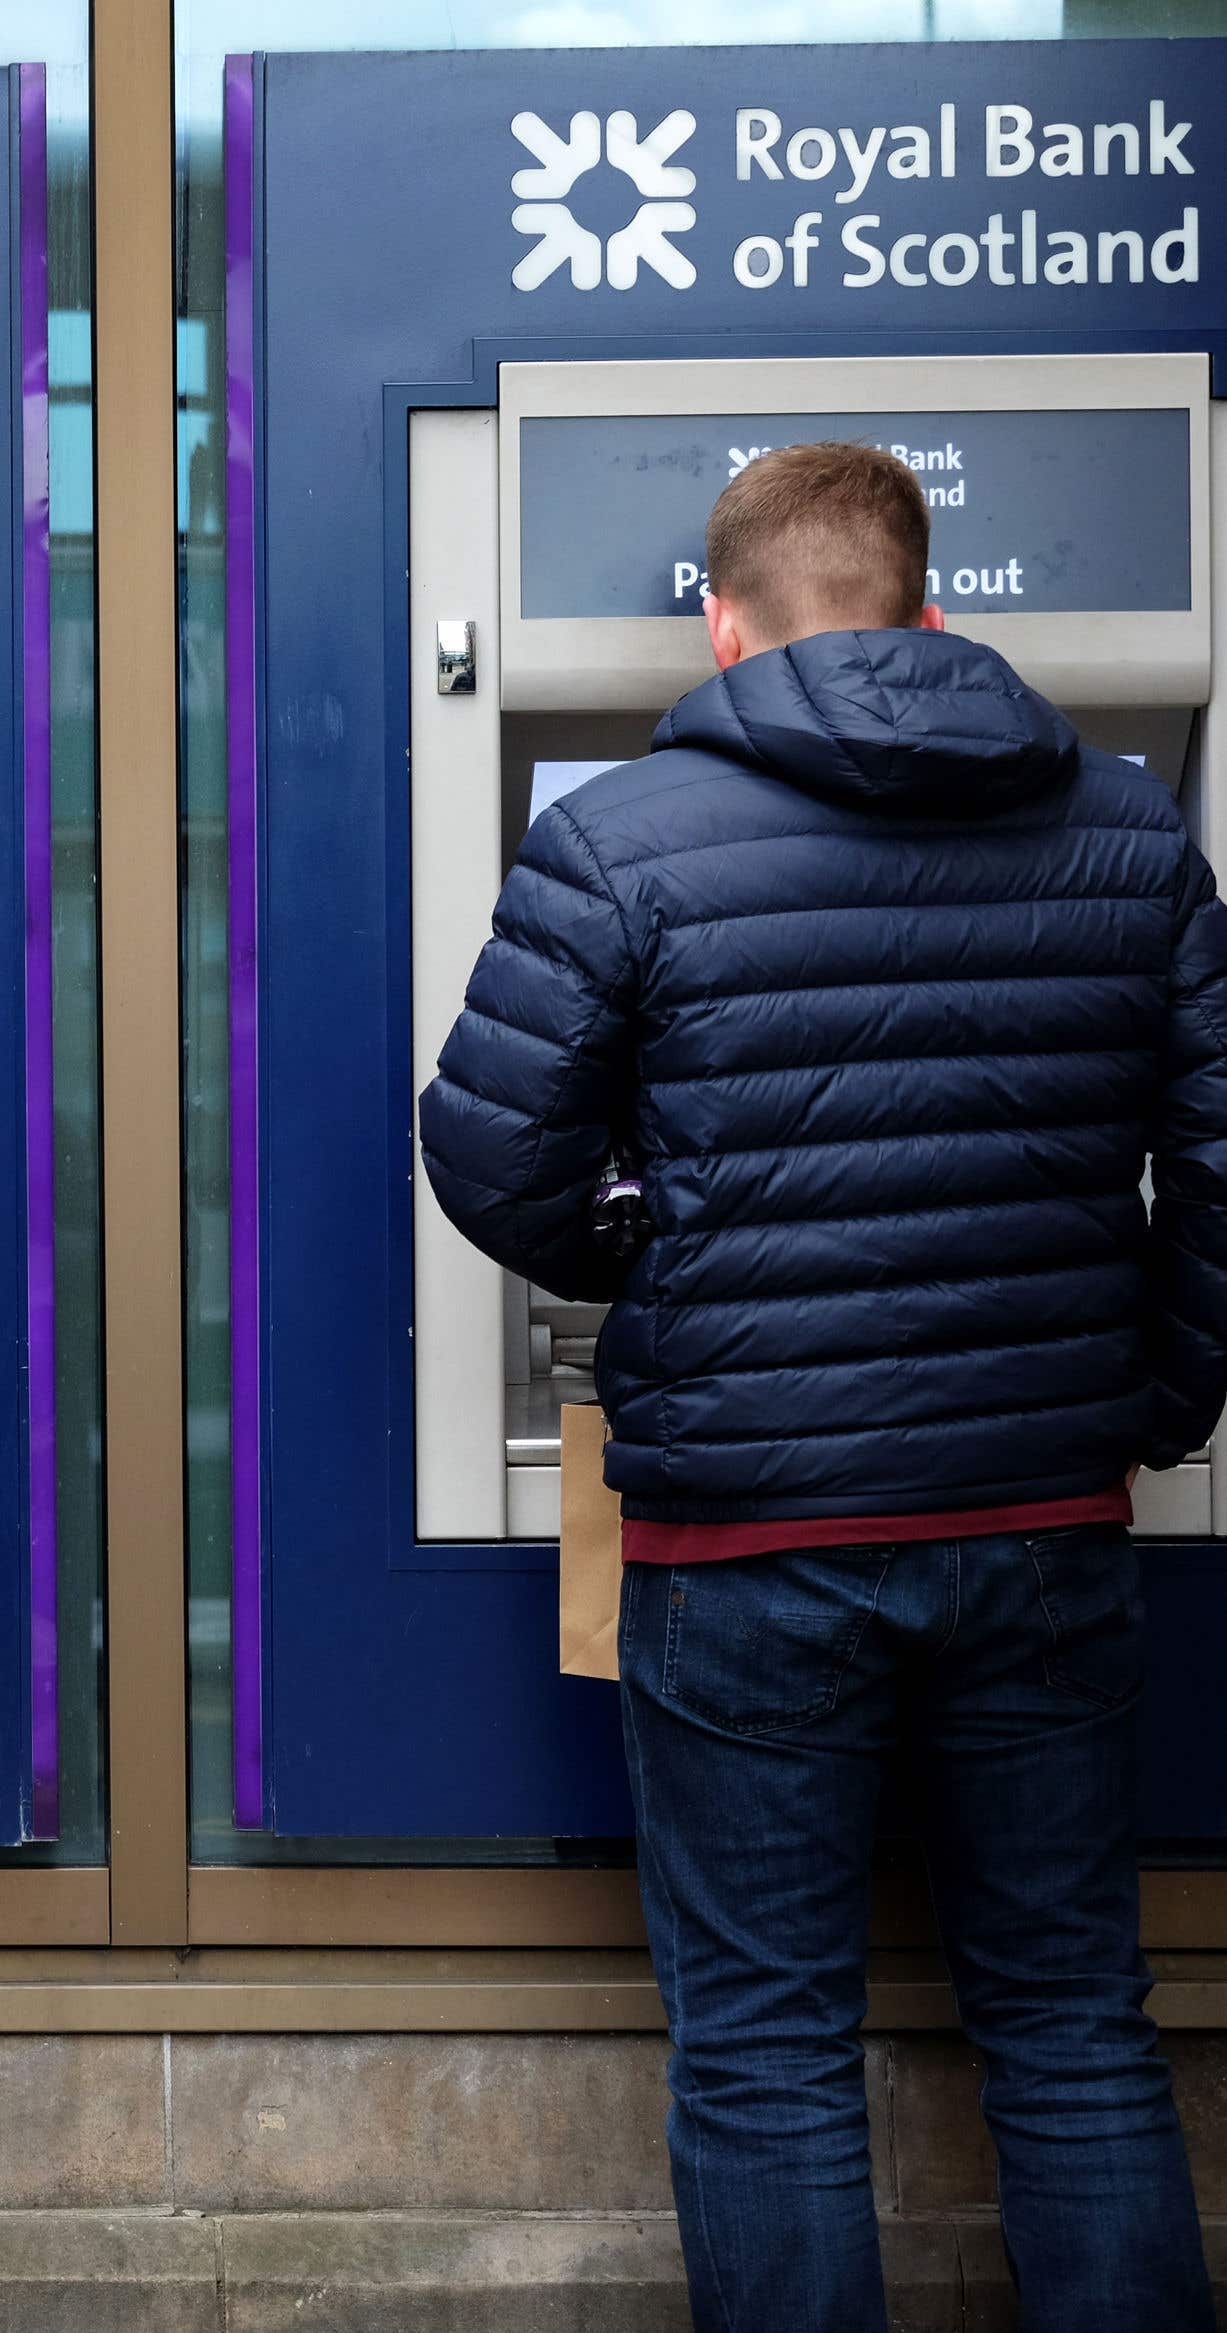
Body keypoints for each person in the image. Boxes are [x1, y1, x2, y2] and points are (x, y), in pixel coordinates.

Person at [421, 440, 1226, 2332]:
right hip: (1042, 1518)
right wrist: (1156, 1397)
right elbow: (1216, 1166)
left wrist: (671, 1248)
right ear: (935, 608)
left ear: (722, 624)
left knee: (769, 2050)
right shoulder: (1127, 828)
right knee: (1071, 2025)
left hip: (750, 1534)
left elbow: (494, 1160)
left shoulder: (619, 836)